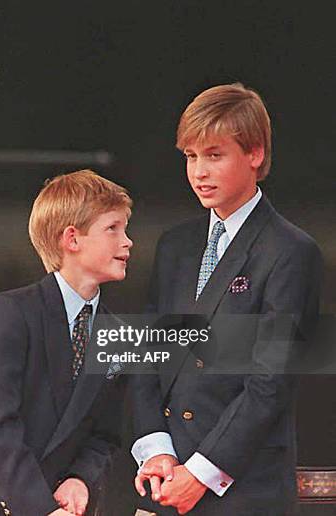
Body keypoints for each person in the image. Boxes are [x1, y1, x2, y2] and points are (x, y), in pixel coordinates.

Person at [130, 83, 323, 514]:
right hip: (164, 481)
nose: (199, 172)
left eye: (214, 156)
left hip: (244, 491)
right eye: (191, 157)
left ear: (254, 154)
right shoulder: (174, 245)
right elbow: (148, 358)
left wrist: (199, 474)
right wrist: (157, 451)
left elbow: (269, 383)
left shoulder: (291, 251)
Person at [0, 170, 132, 516]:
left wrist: (80, 478)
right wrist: (37, 507)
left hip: (55, 505)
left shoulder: (117, 335)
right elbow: (0, 423)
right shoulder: (12, 311)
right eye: (113, 228)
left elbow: (104, 435)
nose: (127, 241)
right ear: (71, 239)